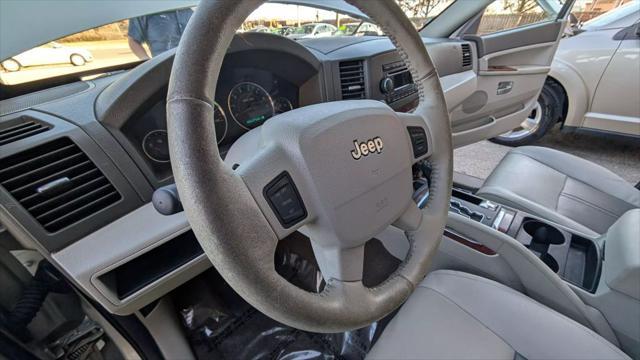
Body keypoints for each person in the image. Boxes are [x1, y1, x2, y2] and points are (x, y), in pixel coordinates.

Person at [127, 8, 194, 59]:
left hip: (196, 67)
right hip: (165, 69)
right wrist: (148, 63)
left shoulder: (191, 6)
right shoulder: (144, 9)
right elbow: (133, 40)